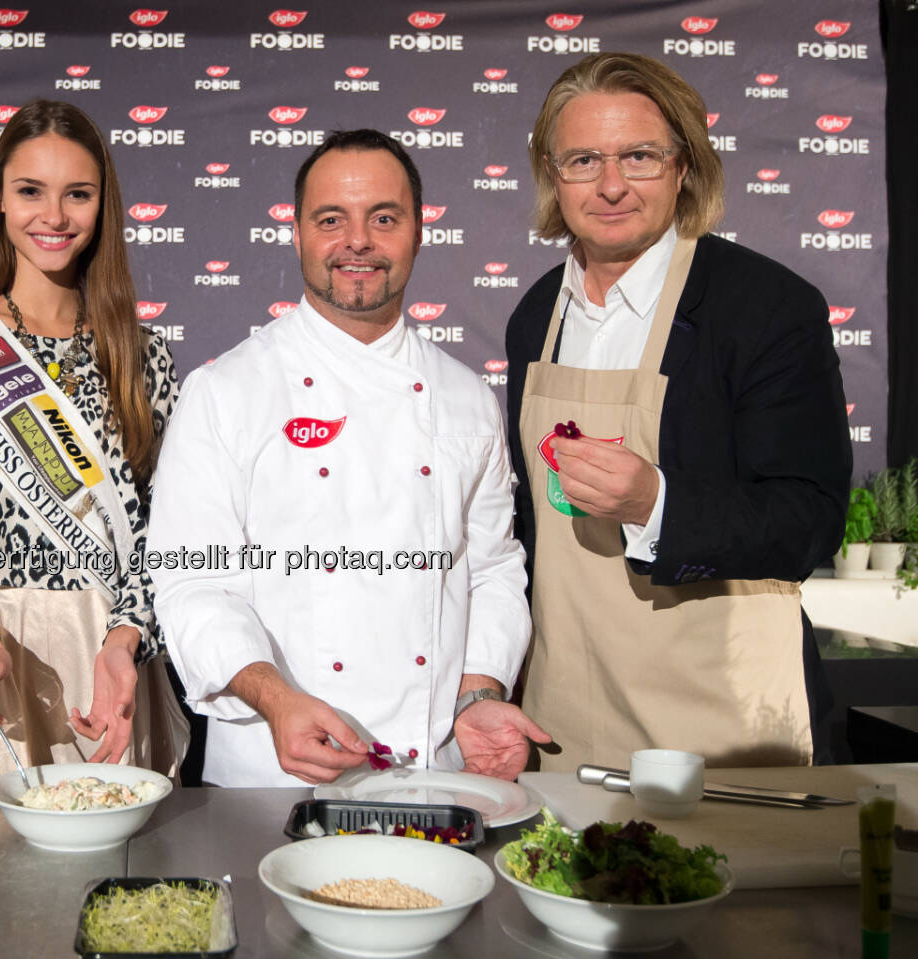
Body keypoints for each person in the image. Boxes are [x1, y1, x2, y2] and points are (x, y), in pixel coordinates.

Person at [146, 130, 549, 787]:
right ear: (298, 235)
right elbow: (192, 580)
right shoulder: (226, 391)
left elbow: (494, 569)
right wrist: (276, 700)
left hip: (434, 766)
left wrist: (478, 695)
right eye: (331, 219)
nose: (358, 241)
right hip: (274, 777)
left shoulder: (466, 396)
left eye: (383, 218)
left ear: (419, 233)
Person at [506, 52, 850, 770]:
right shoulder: (536, 313)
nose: (610, 185)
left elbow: (807, 524)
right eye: (582, 160)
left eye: (639, 156)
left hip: (716, 720)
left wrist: (654, 501)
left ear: (685, 166)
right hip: (564, 710)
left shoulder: (767, 308)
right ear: (551, 174)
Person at [0, 99, 188, 782]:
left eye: (77, 194)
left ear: (103, 205)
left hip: (107, 661)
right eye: (30, 191)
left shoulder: (141, 356)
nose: (54, 216)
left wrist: (126, 637)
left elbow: (169, 531)